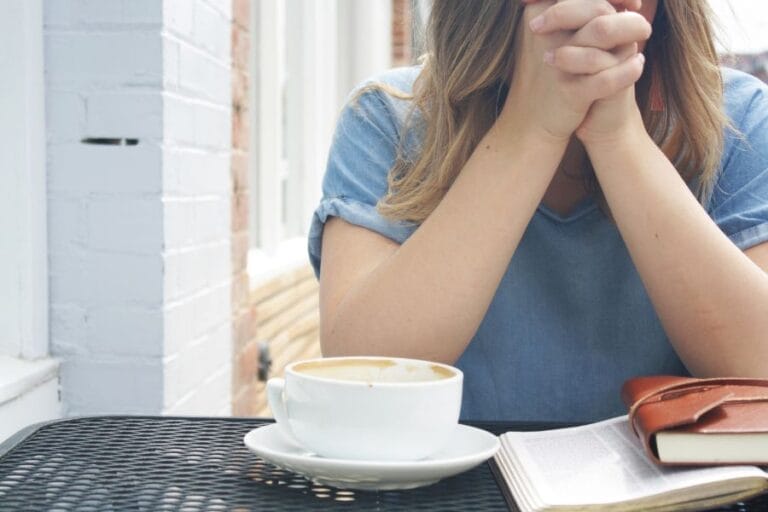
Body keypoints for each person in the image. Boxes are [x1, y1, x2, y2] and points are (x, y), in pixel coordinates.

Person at [308, 0, 768, 422]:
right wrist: (530, 129)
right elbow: (357, 375)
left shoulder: (737, 120)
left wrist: (619, 139)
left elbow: (759, 367)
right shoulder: (390, 116)